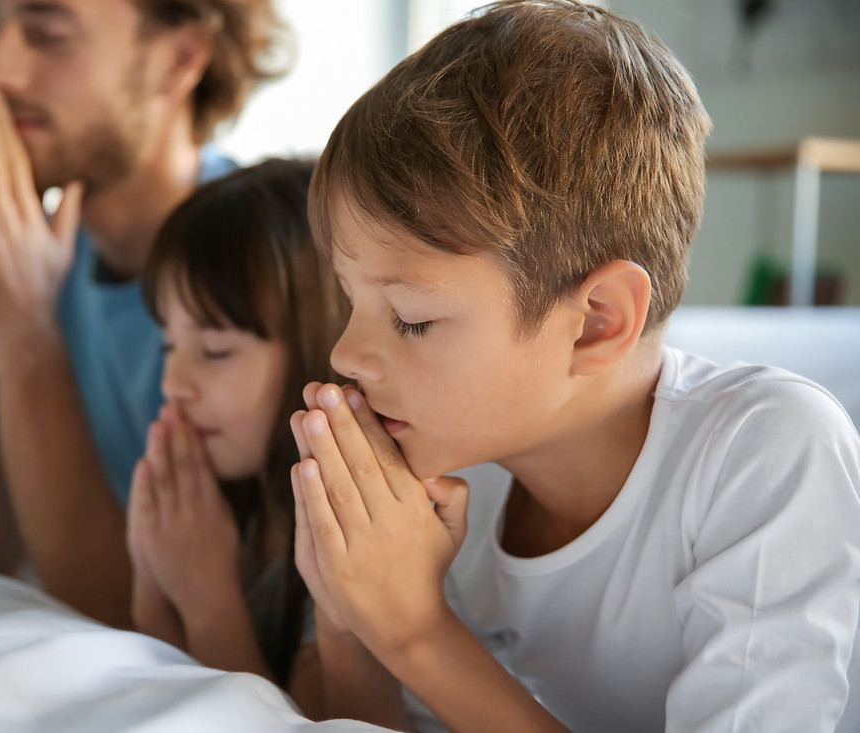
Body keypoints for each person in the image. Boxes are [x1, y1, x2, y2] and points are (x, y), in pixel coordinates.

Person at [287, 2, 860, 732]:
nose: (343, 355)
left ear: (596, 322)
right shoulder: (453, 466)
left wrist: (415, 631)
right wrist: (350, 611)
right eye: (351, 300)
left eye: (411, 318)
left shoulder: (764, 450)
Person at [0, 0, 289, 629]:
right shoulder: (34, 251)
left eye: (47, 34)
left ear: (181, 58)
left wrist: (27, 340)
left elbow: (147, 619)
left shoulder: (264, 270)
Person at [127, 158, 342, 717]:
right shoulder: (231, 501)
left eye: (214, 351)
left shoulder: (342, 531)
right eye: (168, 347)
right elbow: (161, 677)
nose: (173, 385)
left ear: (318, 343)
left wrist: (207, 599)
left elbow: (312, 725)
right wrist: (153, 573)